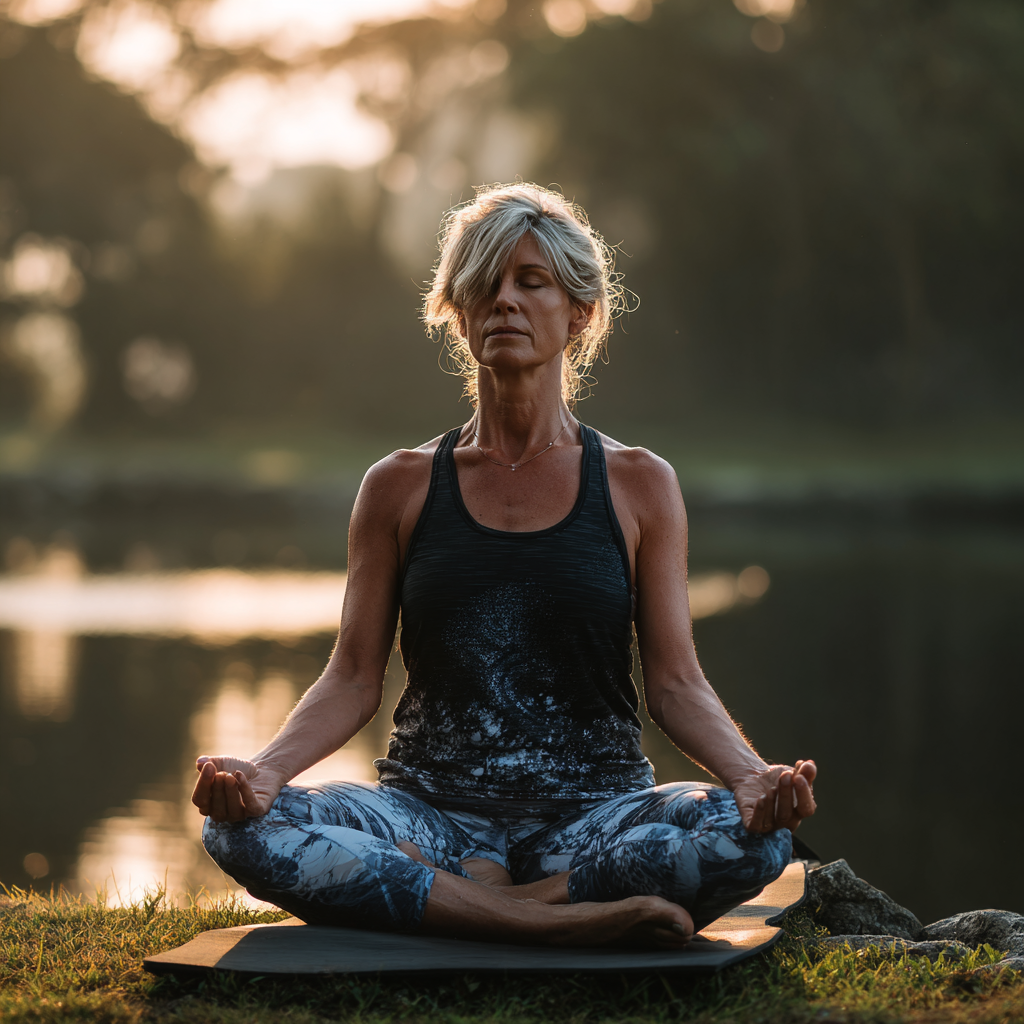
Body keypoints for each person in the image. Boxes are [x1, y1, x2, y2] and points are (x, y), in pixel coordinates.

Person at [192, 183, 817, 949]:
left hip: (591, 820)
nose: (504, 303)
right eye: (484, 286)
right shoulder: (400, 485)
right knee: (242, 831)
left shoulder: (638, 483)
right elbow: (352, 679)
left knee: (745, 831)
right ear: (458, 314)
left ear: (579, 313)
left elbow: (676, 685)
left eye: (531, 282)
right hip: (429, 815)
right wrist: (261, 774)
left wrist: (753, 778)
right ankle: (540, 919)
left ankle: (493, 903)